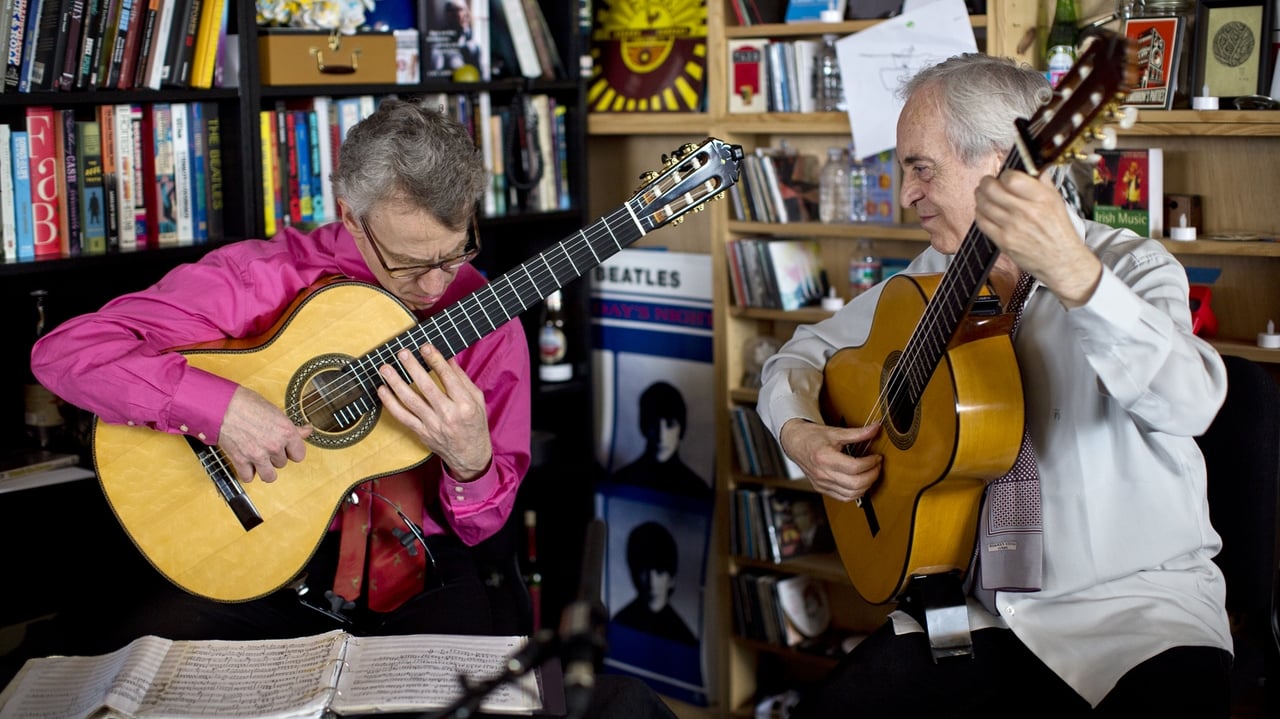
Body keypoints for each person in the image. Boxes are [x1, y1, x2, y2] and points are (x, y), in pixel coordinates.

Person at [757, 53, 1231, 717]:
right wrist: (800, 433)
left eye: (922, 167)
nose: (905, 195)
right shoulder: (927, 278)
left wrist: (1078, 280)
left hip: (1136, 616)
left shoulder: (1129, 266)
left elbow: (1191, 402)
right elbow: (795, 358)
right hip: (977, 614)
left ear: (1003, 161)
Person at [29, 99, 533, 647]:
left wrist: (470, 461)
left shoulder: (489, 319)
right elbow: (64, 353)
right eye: (409, 264)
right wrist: (220, 409)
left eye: (454, 253)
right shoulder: (260, 277)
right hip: (260, 562)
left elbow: (480, 526)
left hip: (419, 571)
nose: (436, 286)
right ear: (351, 217)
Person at [611, 381, 711, 500]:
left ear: (682, 429)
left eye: (670, 425)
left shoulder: (698, 489)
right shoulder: (621, 480)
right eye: (654, 424)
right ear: (643, 426)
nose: (661, 437)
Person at [611, 521, 698, 645]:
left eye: (659, 571)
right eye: (644, 570)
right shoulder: (619, 622)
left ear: (672, 579)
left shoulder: (684, 638)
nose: (651, 582)